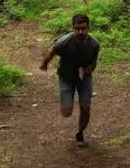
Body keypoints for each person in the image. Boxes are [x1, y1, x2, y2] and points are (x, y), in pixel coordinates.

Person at [40, 12, 100, 147]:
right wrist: (44, 64)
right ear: (72, 27)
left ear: (88, 28)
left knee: (86, 107)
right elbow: (52, 52)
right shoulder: (64, 42)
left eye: (83, 28)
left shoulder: (94, 44)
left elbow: (94, 62)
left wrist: (86, 71)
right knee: (66, 113)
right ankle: (69, 104)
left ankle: (80, 133)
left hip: (84, 78)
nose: (80, 31)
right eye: (77, 28)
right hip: (66, 77)